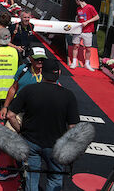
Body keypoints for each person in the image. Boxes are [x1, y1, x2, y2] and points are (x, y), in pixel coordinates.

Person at [6, 59, 79, 191]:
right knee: (55, 177)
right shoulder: (69, 96)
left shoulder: (29, 90)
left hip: (31, 142)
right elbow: (73, 127)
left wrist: (21, 131)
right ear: (60, 73)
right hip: (55, 144)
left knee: (32, 175)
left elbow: (10, 115)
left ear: (42, 73)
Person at [0, 46, 49, 181]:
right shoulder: (23, 69)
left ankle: (35, 169)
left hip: (39, 115)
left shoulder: (48, 73)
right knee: (8, 138)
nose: (40, 62)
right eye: (37, 59)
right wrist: (5, 107)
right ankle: (11, 166)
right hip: (19, 112)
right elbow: (13, 88)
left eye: (42, 59)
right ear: (30, 58)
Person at [71, 0, 99, 71]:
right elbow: (79, 18)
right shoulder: (78, 9)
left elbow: (97, 17)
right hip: (78, 30)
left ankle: (87, 64)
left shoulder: (90, 7)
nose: (75, 3)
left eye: (76, 1)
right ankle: (74, 62)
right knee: (76, 46)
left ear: (78, 0)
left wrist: (87, 22)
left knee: (88, 48)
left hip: (88, 31)